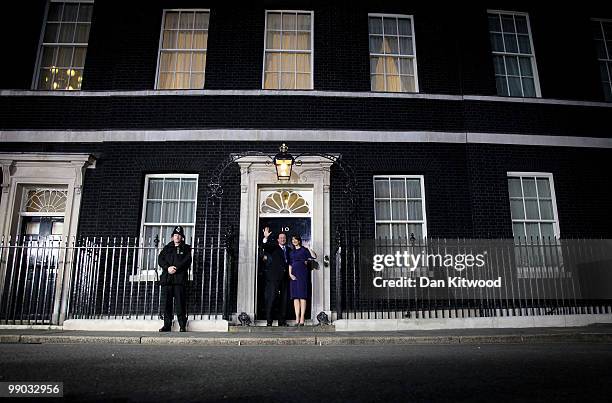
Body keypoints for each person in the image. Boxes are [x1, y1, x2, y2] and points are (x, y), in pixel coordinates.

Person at [158, 226, 192, 332]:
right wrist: (167, 268)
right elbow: (160, 259)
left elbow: (187, 261)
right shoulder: (167, 248)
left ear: (182, 237)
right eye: (175, 235)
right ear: (172, 237)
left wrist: (175, 268)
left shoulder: (186, 248)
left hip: (179, 280)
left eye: (179, 235)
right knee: (167, 304)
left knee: (180, 304)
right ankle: (167, 325)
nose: (177, 237)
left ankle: (182, 325)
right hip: (167, 280)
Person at [261, 227, 291, 326]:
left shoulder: (289, 249)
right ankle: (269, 321)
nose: (282, 239)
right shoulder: (273, 247)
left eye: (284, 238)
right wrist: (265, 238)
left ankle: (281, 321)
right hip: (273, 277)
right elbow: (264, 246)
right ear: (278, 240)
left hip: (285, 278)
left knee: (284, 300)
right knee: (272, 298)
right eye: (281, 238)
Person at [288, 235, 317, 326]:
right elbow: (290, 264)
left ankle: (302, 318)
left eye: (295, 239)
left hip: (302, 274)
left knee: (302, 297)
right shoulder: (291, 252)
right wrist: (290, 274)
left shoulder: (304, 250)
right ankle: (297, 318)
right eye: (293, 239)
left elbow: (314, 256)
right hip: (294, 275)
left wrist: (309, 248)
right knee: (295, 297)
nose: (294, 241)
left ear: (299, 241)